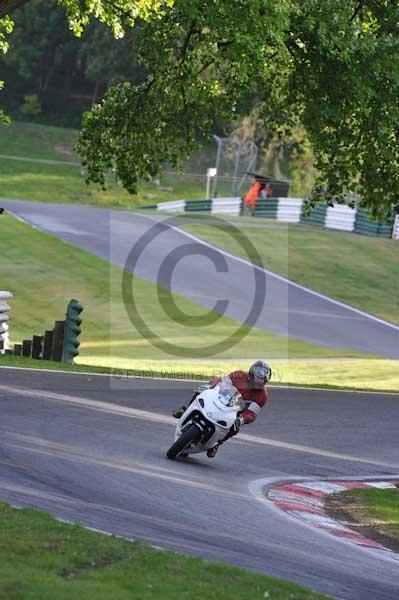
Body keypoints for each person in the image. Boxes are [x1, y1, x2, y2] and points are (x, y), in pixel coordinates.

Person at [172, 360, 272, 458]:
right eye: (259, 373)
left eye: (264, 375)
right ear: (251, 373)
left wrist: (241, 419)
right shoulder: (239, 375)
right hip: (219, 398)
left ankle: (216, 444)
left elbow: (252, 413)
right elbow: (220, 381)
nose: (261, 377)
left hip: (234, 412)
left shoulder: (262, 396)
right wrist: (210, 385)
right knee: (201, 391)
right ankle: (187, 409)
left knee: (234, 428)